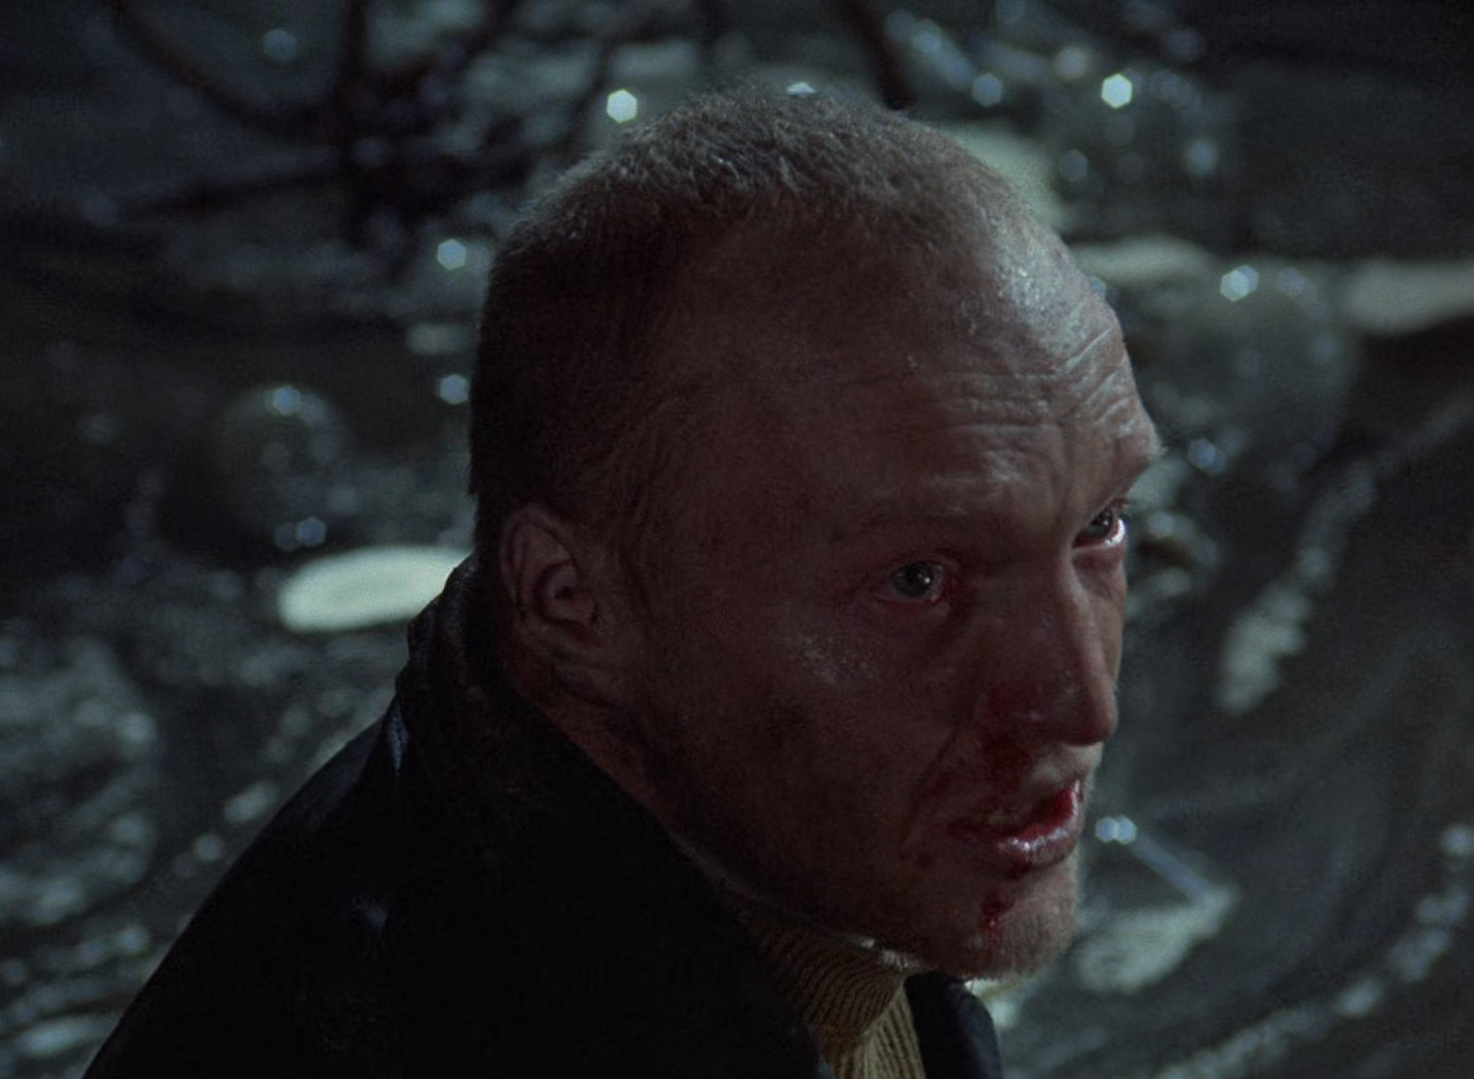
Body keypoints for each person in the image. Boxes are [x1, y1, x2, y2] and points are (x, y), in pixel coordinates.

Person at [85, 89, 1159, 1078]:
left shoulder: (796, 868)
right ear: (569, 604)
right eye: (918, 581)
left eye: (1098, 525)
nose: (1082, 700)